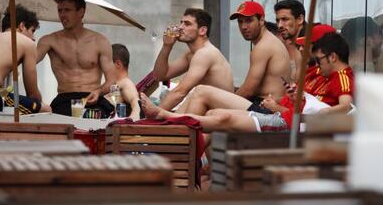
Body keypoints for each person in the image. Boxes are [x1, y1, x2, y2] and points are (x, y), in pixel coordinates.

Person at [140, 32, 354, 133]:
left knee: (215, 109)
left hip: (285, 122)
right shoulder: (317, 74)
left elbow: (345, 106)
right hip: (279, 114)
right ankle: (175, 143)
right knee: (211, 109)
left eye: (318, 59)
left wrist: (318, 114)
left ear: (333, 57)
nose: (242, 27)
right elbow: (160, 75)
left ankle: (165, 122)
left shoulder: (341, 77)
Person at [37, 0, 116, 117]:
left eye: (67, 10)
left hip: (92, 99)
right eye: (60, 11)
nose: (62, 15)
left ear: (81, 12)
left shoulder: (100, 41)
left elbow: (112, 80)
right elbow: (29, 62)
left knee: (100, 122)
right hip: (65, 99)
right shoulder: (49, 41)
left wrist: (98, 91)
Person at [0, 5, 51, 114]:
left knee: (5, 91)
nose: (34, 37)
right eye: (32, 30)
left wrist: (6, 90)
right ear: (22, 26)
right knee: (46, 109)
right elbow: (33, 94)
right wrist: (38, 106)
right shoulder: (28, 44)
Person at [153, 8, 234, 111]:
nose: (180, 27)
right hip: (208, 111)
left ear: (202, 30)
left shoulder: (205, 53)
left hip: (221, 116)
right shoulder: (191, 55)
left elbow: (180, 92)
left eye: (187, 24)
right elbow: (159, 76)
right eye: (181, 23)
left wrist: (154, 114)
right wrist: (166, 46)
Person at [106, 44, 141, 120]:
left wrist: (133, 117)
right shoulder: (113, 84)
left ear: (118, 64)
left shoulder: (125, 83)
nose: (104, 67)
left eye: (107, 63)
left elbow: (135, 101)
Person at [274, 0, 306, 82]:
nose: (279, 25)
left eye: (285, 19)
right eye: (277, 21)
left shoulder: (310, 45)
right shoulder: (284, 45)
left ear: (300, 19)